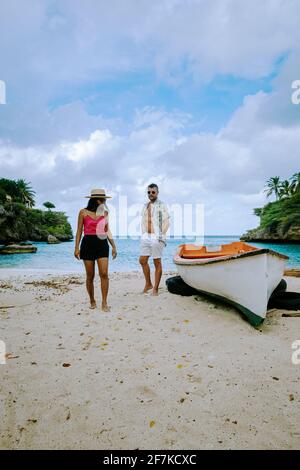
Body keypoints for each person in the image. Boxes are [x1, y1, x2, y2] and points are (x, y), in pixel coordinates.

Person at [74, 188, 117, 311]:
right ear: (97, 200)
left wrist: (114, 246)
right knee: (90, 276)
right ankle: (92, 300)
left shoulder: (105, 213)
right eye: (103, 199)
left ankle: (104, 302)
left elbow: (107, 230)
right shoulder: (83, 212)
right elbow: (78, 231)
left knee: (104, 274)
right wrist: (76, 248)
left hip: (102, 243)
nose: (104, 202)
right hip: (87, 244)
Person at [139, 183, 170, 295]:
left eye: (153, 192)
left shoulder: (161, 205)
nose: (150, 194)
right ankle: (148, 284)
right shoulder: (145, 205)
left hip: (157, 236)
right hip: (146, 236)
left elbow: (167, 221)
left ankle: (155, 289)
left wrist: (161, 235)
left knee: (157, 262)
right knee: (142, 260)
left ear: (157, 193)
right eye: (149, 192)